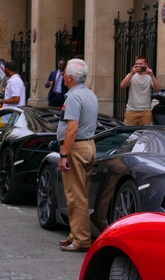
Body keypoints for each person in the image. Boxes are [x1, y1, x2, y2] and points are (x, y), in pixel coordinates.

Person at [56, 58, 98, 252]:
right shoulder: (90, 95)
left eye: (65, 73)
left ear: (70, 77)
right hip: (89, 146)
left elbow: (72, 129)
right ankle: (75, 234)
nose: (63, 76)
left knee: (76, 196)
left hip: (77, 148)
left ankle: (81, 239)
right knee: (81, 193)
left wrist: (64, 153)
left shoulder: (73, 97)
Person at [120, 54, 161, 125]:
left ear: (146, 65)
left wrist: (152, 75)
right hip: (131, 111)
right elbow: (122, 86)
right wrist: (131, 73)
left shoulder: (149, 77)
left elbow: (158, 89)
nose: (138, 66)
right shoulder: (131, 76)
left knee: (145, 133)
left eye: (140, 64)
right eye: (136, 64)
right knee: (129, 134)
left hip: (145, 111)